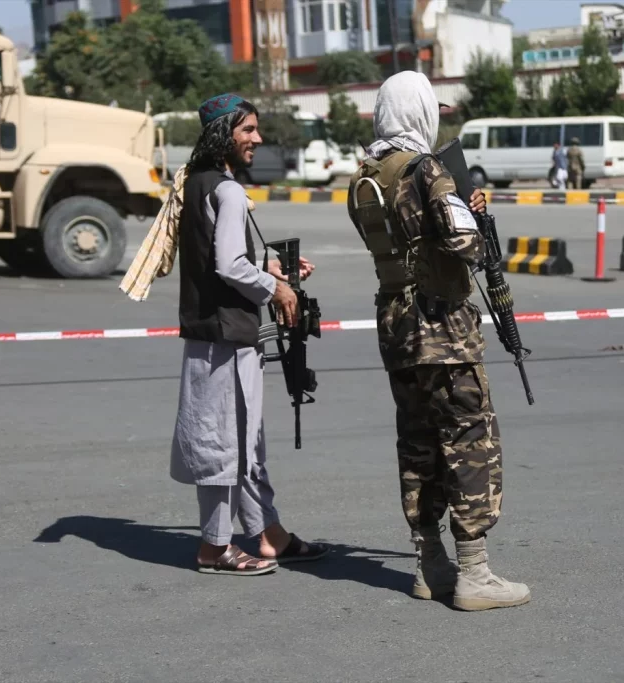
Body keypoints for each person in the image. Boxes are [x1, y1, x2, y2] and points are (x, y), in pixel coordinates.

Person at [346, 71, 530, 612]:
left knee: (419, 440)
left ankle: (431, 565)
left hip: (396, 326)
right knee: (469, 438)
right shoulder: (426, 169)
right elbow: (465, 242)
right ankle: (474, 573)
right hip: (443, 328)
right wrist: (469, 208)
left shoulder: (367, 175)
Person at [170, 93, 329, 575]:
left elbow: (219, 257)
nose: (257, 139)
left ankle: (266, 532)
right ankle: (214, 547)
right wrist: (275, 286)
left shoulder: (198, 183)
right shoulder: (230, 191)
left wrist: (270, 266)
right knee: (224, 443)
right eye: (248, 131)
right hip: (225, 339)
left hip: (212, 333)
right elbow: (228, 264)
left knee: (244, 439)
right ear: (224, 134)